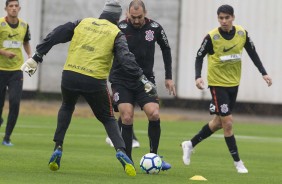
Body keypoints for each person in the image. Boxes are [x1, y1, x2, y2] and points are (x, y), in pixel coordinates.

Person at [21, 0, 156, 177]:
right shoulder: (116, 32)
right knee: (108, 117)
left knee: (67, 107)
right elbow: (126, 58)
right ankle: (121, 151)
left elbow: (56, 34)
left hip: (70, 75)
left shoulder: (82, 22)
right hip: (94, 80)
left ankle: (58, 147)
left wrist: (38, 56)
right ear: (117, 18)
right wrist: (141, 77)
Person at [181, 4, 272, 174]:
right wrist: (197, 76)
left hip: (233, 84)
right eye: (221, 18)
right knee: (228, 123)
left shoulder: (241, 33)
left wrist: (264, 73)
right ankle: (238, 163)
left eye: (226, 18)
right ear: (218, 19)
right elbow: (199, 56)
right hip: (217, 85)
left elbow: (252, 52)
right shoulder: (211, 37)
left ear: (233, 18)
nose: (223, 21)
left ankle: (190, 144)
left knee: (217, 123)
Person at [109, 0, 176, 171]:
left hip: (145, 80)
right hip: (121, 80)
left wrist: (168, 77)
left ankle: (155, 156)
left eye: (139, 17)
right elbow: (106, 50)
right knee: (127, 116)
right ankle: (128, 161)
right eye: (133, 17)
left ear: (145, 13)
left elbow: (166, 49)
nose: (136, 20)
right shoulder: (119, 28)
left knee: (154, 113)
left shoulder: (155, 28)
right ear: (127, 13)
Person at [0, 0, 32, 146]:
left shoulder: (24, 25)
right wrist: (4, 52)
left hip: (16, 72)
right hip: (1, 70)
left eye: (15, 6)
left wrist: (30, 56)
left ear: (19, 8)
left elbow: (25, 42)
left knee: (15, 103)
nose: (13, 8)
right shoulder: (1, 25)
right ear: (5, 8)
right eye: (10, 6)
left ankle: (7, 137)